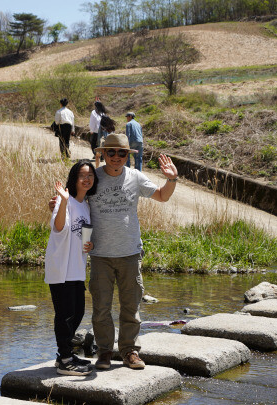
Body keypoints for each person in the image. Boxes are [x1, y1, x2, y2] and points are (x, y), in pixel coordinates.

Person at [49, 133, 179, 370]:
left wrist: (171, 180)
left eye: (121, 153)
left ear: (127, 156)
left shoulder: (135, 177)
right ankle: (105, 352)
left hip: (129, 252)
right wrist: (57, 203)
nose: (116, 157)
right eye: (111, 152)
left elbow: (161, 196)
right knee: (101, 308)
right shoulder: (93, 178)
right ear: (103, 154)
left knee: (131, 306)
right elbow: (76, 201)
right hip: (100, 256)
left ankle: (130, 351)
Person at [45, 159, 98, 376]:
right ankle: (66, 360)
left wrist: (90, 244)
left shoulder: (85, 205)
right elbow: (59, 228)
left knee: (77, 313)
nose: (86, 179)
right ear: (74, 178)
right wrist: (64, 201)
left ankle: (63, 355)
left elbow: (83, 235)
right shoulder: (62, 201)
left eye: (90, 176)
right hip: (61, 267)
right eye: (82, 175)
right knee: (65, 315)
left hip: (77, 267)